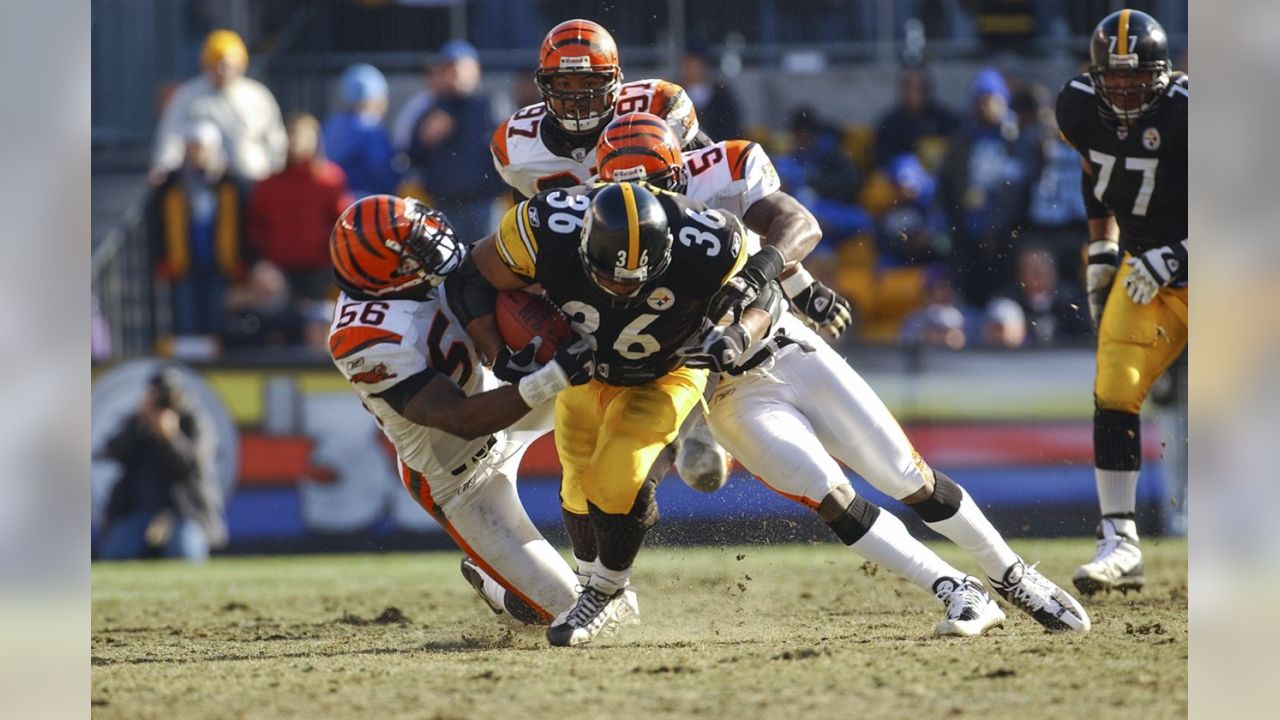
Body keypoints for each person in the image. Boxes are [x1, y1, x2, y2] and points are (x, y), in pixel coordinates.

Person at [594, 114, 1090, 635]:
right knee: (830, 495)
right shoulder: (593, 244)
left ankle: (1010, 573)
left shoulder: (716, 192)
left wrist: (775, 279)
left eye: (652, 188)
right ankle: (955, 589)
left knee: (906, 476)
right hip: (725, 394)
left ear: (680, 175)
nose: (640, 207)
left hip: (784, 347)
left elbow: (799, 224)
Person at [448, 181, 804, 646]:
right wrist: (499, 354)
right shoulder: (545, 227)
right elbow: (470, 277)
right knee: (577, 484)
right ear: (583, 244)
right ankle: (593, 582)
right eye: (611, 276)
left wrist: (741, 332)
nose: (622, 288)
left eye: (637, 277)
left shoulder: (711, 240)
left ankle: (605, 593)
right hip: (583, 369)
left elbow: (765, 295)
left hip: (669, 371)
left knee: (619, 473)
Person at [327, 193, 598, 626]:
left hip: (503, 397)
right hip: (459, 474)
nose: (437, 242)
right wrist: (553, 376)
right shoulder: (365, 338)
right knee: (568, 614)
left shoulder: (425, 272)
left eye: (425, 228)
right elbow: (460, 418)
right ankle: (491, 579)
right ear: (387, 274)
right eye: (417, 247)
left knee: (607, 376)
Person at [594, 114, 851, 490]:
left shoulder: (714, 171)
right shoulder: (587, 190)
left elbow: (762, 242)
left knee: (711, 308)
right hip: (630, 298)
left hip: (710, 298)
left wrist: (800, 285)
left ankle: (690, 427)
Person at [1056, 9, 1188, 595]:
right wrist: (1103, 250)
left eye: (1138, 83)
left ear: (1163, 76)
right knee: (1114, 388)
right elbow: (1098, 171)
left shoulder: (1194, 113)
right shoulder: (1079, 107)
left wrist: (1179, 255)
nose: (1127, 93)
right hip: (1143, 272)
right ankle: (1121, 544)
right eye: (1117, 81)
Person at [490, 19, 708, 203]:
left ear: (614, 82)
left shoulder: (657, 109)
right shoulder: (517, 146)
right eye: (565, 85)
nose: (578, 97)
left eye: (590, 83)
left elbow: (712, 168)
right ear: (545, 86)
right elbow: (529, 226)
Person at [96, 368, 227, 561]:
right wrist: (139, 424)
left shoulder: (193, 421)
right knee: (117, 553)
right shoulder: (138, 423)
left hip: (185, 513)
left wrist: (171, 437)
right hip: (138, 512)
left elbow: (192, 466)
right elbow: (113, 452)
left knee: (184, 552)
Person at [937, 68, 1038, 306]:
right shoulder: (962, 140)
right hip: (967, 233)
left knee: (1005, 290)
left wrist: (997, 226)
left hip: (1007, 234)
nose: (985, 106)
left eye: (990, 99)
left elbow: (1021, 188)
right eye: (979, 100)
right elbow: (947, 184)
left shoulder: (1018, 138)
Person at [149, 29, 287, 185]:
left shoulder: (257, 96)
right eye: (216, 63)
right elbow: (171, 135)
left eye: (228, 64)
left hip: (252, 176)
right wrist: (163, 167)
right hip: (203, 181)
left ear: (241, 63)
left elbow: (275, 137)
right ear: (206, 63)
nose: (222, 70)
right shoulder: (188, 95)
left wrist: (276, 172)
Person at [150, 120, 246, 337]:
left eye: (200, 148)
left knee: (217, 319)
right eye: (191, 148)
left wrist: (241, 259)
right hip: (184, 263)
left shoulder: (231, 183)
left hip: (221, 263)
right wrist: (161, 258)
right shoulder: (171, 184)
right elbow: (158, 227)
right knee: (186, 321)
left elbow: (243, 226)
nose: (195, 154)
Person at [405, 40, 505, 241]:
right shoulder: (432, 108)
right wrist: (425, 139)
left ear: (476, 70)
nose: (455, 75)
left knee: (488, 266)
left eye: (461, 68)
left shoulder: (490, 105)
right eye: (448, 69)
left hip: (483, 203)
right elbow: (412, 156)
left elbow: (509, 151)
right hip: (445, 204)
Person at [249, 113, 353, 301]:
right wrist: (261, 261)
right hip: (278, 270)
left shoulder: (330, 180)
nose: (296, 141)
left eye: (303, 136)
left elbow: (341, 223)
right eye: (292, 135)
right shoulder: (270, 184)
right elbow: (257, 225)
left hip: (319, 269)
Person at [322, 63, 401, 199]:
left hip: (334, 203)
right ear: (378, 98)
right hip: (366, 205)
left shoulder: (332, 124)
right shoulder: (371, 128)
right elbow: (380, 170)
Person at [999, 245, 1091, 346]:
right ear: (1020, 274)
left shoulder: (1071, 303)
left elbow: (1085, 338)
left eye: (1043, 270)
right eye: (1033, 271)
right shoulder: (1009, 303)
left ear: (1054, 272)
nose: (1038, 277)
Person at [873, 66, 957, 167]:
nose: (914, 94)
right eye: (910, 88)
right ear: (902, 91)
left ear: (927, 90)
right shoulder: (890, 123)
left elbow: (957, 145)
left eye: (919, 88)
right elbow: (883, 157)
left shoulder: (943, 118)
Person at [677, 46, 742, 141]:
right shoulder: (674, 95)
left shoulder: (721, 96)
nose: (690, 69)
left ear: (704, 66)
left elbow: (731, 129)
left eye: (695, 64)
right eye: (687, 64)